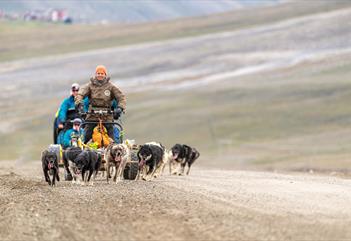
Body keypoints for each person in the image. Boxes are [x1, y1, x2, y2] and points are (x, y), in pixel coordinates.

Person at [75, 65, 126, 143]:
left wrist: (119, 108)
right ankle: (84, 149)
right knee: (87, 135)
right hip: (92, 115)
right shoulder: (90, 86)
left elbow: (121, 97)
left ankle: (114, 150)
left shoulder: (110, 86)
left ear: (105, 75)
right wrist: (79, 105)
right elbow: (80, 94)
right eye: (98, 73)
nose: (100, 75)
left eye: (102, 73)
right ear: (95, 74)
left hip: (107, 116)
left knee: (111, 136)